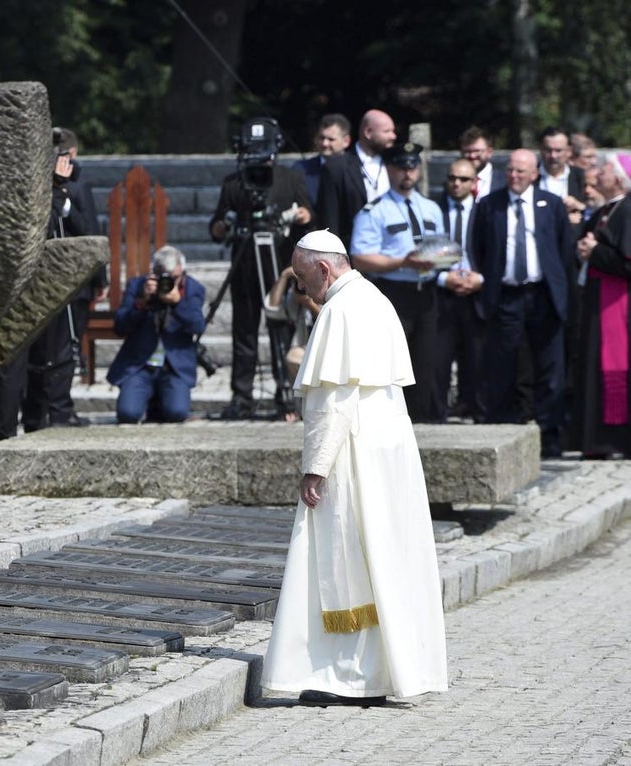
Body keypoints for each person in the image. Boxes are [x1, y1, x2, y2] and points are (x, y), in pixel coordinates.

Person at [261, 229, 448, 707]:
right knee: (385, 556)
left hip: (353, 451)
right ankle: (386, 671)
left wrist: (315, 466)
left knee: (347, 559)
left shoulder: (340, 310)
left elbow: (333, 400)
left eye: (302, 277)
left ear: (324, 269)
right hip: (389, 449)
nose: (301, 288)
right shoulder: (375, 298)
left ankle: (350, 677)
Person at [468, 149, 575, 458]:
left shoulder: (551, 204)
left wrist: (562, 294)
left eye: (521, 171)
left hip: (543, 295)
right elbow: (478, 248)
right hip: (506, 296)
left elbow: (564, 252)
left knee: (549, 367)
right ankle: (503, 432)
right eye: (510, 170)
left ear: (534, 173)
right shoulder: (489, 205)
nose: (514, 176)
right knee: (502, 365)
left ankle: (549, 435)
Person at [209, 121, 313, 420]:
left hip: (279, 264)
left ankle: (286, 391)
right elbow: (216, 227)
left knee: (281, 327)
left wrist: (301, 215)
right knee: (244, 331)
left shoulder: (291, 178)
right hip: (244, 265)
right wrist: (223, 225)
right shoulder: (233, 182)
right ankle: (242, 396)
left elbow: (309, 216)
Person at [350, 140, 445, 422]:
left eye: (413, 167)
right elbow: (360, 257)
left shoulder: (431, 208)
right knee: (392, 363)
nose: (408, 173)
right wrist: (403, 262)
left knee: (426, 363)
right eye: (402, 167)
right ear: (389, 169)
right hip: (393, 293)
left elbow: (441, 247)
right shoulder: (374, 210)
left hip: (426, 293)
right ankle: (391, 421)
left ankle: (423, 422)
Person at [22, 127, 104, 432]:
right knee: (45, 351)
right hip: (45, 283)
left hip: (75, 281)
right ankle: (43, 409)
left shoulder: (78, 187)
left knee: (66, 348)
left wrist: (99, 279)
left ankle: (60, 407)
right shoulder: (39, 186)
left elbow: (90, 232)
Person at [571, 152, 631, 458]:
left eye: (605, 169)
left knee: (615, 367)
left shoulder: (628, 209)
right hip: (597, 299)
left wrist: (594, 252)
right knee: (592, 365)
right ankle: (596, 439)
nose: (597, 174)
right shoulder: (606, 209)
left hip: (618, 304)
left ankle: (616, 439)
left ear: (619, 178)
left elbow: (626, 263)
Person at [106, 245, 205, 423]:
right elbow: (119, 326)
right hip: (141, 366)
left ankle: (159, 403)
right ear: (154, 273)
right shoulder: (138, 286)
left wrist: (178, 303)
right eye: (163, 278)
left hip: (173, 368)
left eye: (174, 278)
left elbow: (197, 326)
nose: (168, 283)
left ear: (182, 272)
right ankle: (147, 399)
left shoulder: (192, 288)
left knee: (176, 413)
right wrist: (142, 303)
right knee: (128, 414)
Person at [432, 157, 485, 420]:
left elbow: (494, 251)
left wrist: (479, 279)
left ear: (474, 182)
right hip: (441, 291)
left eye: (463, 179)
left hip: (477, 292)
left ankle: (472, 406)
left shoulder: (485, 210)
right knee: (439, 357)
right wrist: (444, 278)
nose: (456, 183)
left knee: (476, 355)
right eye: (452, 178)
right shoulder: (433, 210)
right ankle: (436, 412)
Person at [316, 109, 397, 248]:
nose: (393, 136)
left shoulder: (394, 164)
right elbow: (329, 219)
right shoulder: (336, 167)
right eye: (387, 131)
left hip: (392, 248)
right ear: (368, 132)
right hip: (354, 249)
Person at [263, 265, 321, 421]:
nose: (302, 286)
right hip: (306, 348)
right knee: (294, 357)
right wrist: (284, 276)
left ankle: (316, 406)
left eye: (305, 281)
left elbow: (330, 320)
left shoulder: (327, 293)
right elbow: (272, 309)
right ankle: (301, 408)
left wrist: (310, 304)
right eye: (299, 282)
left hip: (329, 350)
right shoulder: (296, 296)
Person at [295, 113, 351, 207]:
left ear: (346, 141)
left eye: (331, 139)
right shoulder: (300, 170)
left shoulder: (357, 170)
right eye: (321, 138)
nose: (324, 143)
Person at [537, 126, 587, 227]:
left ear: (569, 151)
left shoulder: (581, 177)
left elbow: (595, 212)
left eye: (558, 150)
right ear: (541, 149)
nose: (553, 156)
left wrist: (580, 206)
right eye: (548, 150)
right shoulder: (530, 177)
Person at [459, 126, 506, 200]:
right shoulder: (454, 181)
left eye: (477, 151)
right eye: (467, 151)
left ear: (489, 152)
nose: (472, 156)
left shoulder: (505, 181)